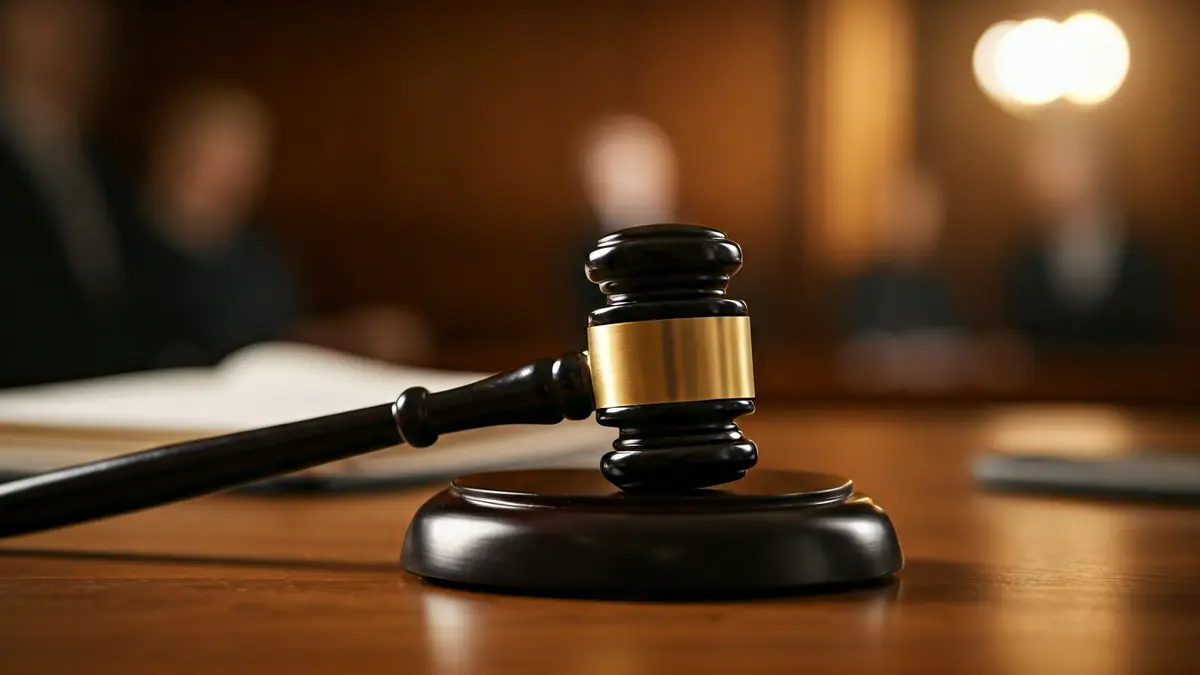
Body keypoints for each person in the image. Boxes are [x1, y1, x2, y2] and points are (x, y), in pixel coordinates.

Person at [142, 86, 434, 365]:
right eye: (222, 160)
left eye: (251, 163)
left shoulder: (258, 252)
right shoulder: (131, 255)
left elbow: (281, 338)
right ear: (177, 155)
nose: (238, 180)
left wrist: (352, 337)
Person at [0, 0, 191, 387]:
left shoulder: (105, 166)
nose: (72, 40)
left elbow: (138, 302)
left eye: (90, 26)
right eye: (48, 18)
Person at [1004, 121, 1171, 347]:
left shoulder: (1147, 254)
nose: (1050, 174)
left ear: (1100, 163)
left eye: (1063, 158)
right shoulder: (1023, 257)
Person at [838, 164, 967, 392]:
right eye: (902, 207)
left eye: (920, 208)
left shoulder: (956, 287)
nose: (911, 219)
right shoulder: (859, 288)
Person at [572, 114, 679, 317]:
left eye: (641, 167)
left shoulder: (707, 253)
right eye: (621, 171)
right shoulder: (579, 267)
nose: (634, 184)